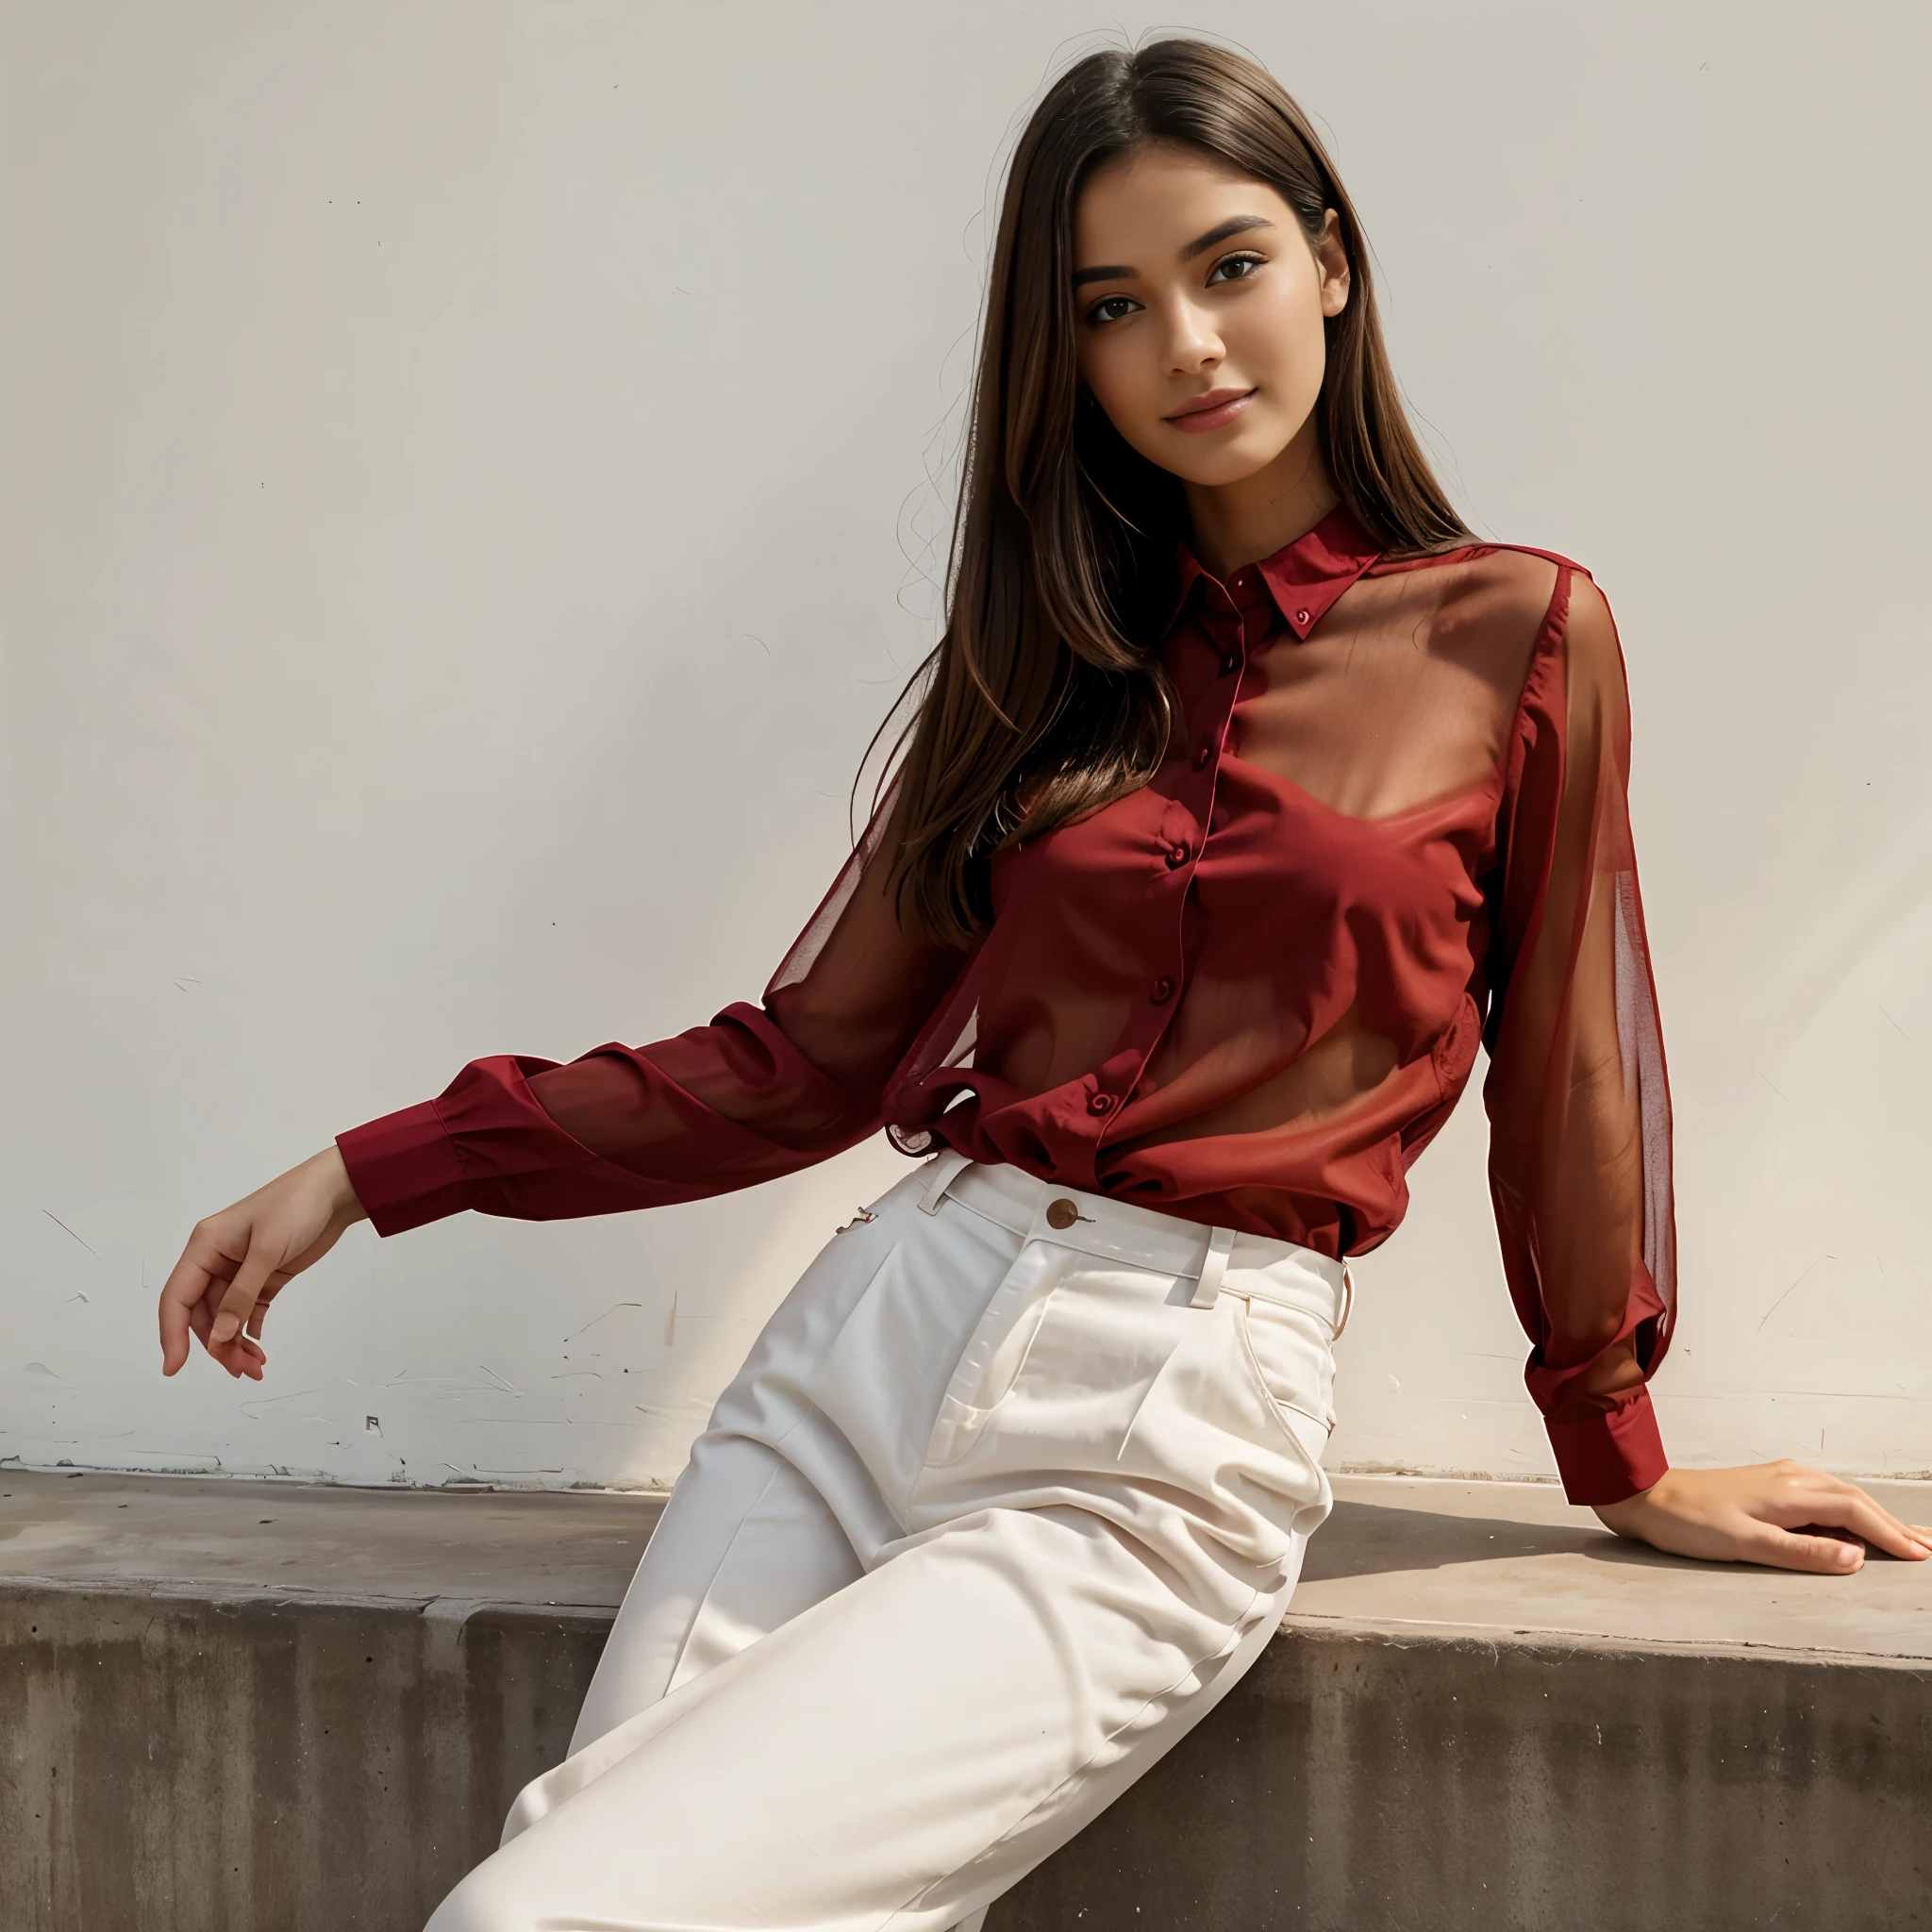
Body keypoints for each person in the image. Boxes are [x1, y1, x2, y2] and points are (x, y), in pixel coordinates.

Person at [157, 36, 1931, 1932]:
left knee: (542, 1917)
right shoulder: (1044, 656)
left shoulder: (1518, 631)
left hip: (1161, 1436)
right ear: (1063, 352)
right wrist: (374, 1168)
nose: (1186, 340)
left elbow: (1566, 1056)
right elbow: (799, 1062)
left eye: (1229, 265)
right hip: (864, 1363)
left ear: (1331, 262)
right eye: (1113, 306)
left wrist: (1618, 1445)